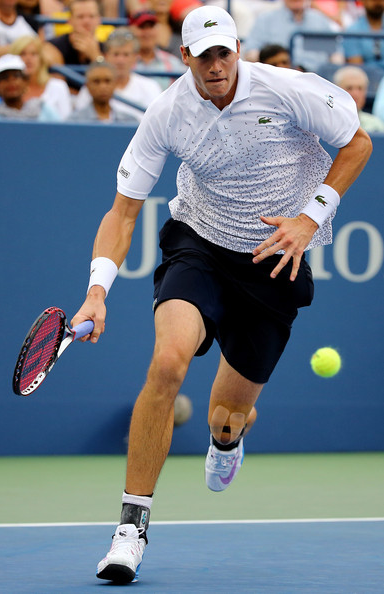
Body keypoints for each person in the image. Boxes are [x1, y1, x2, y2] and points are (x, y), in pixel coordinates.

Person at [71, 5, 372, 585]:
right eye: (203, 55)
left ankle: (225, 438)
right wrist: (96, 292)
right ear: (183, 57)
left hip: (274, 260)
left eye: (223, 53)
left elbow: (356, 144)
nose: (215, 65)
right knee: (167, 361)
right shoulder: (166, 115)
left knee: (228, 414)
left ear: (238, 50)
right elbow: (124, 212)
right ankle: (131, 528)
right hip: (199, 245)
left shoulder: (289, 90)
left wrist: (309, 219)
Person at [74, 28, 162, 123]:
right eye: (116, 54)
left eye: (126, 55)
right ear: (106, 56)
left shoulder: (150, 87)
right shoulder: (91, 87)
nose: (120, 61)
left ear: (135, 57)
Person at [242, 0, 340, 73]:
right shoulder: (266, 20)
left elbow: (336, 55)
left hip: (316, 79)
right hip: (277, 79)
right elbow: (251, 52)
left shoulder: (320, 20)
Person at [0, 52, 60, 119]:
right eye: (4, 77)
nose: (11, 81)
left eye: (16, 76)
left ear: (26, 82)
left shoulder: (43, 110)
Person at [10, 35, 72, 119]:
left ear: (41, 59)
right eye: (23, 54)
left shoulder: (58, 86)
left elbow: (66, 122)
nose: (28, 59)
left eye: (33, 54)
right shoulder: (7, 88)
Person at [129, 9, 186, 90]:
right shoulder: (123, 62)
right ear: (131, 30)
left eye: (151, 27)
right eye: (142, 27)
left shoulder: (173, 62)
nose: (147, 33)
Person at [68, 59, 138, 122]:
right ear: (87, 86)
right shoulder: (74, 121)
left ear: (115, 84)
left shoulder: (129, 121)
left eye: (107, 81)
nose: (103, 87)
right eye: (96, 81)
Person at [44, 0, 106, 67]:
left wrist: (96, 56)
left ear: (99, 20)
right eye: (80, 17)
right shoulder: (53, 46)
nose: (86, 21)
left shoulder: (107, 49)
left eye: (91, 16)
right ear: (70, 20)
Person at [333, 64, 384, 131]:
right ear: (336, 91)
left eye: (360, 88)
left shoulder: (376, 124)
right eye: (349, 88)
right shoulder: (325, 123)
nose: (355, 94)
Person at [343, 0, 384, 69]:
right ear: (363, 1)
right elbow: (357, 67)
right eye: (374, 0)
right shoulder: (352, 31)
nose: (377, 3)